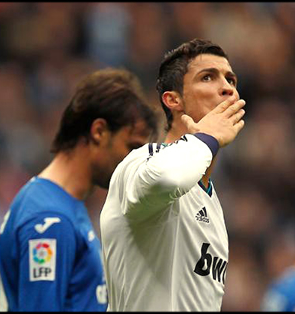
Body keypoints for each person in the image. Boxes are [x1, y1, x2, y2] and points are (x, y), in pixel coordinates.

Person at [99, 38, 246, 311]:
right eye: (208, 77)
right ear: (173, 100)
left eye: (231, 80)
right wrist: (208, 136)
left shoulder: (211, 201)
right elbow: (169, 179)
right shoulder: (142, 161)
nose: (227, 88)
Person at [0, 68, 158, 311]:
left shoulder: (61, 206)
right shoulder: (49, 220)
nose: (136, 163)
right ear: (99, 132)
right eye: (132, 147)